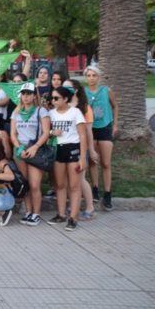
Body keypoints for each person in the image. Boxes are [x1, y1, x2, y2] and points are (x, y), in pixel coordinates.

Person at [47, 86, 88, 232]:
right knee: (59, 184)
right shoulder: (51, 113)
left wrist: (83, 157)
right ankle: (61, 214)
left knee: (74, 185)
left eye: (56, 98)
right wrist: (52, 132)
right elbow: (45, 131)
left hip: (73, 148)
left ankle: (73, 217)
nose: (53, 101)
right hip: (58, 149)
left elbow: (83, 135)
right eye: (52, 98)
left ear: (65, 99)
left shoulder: (75, 112)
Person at [9, 82, 51, 226]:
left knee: (34, 184)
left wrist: (35, 147)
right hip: (20, 150)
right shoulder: (16, 112)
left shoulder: (41, 111)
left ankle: (36, 213)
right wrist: (18, 147)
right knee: (25, 184)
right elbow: (13, 134)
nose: (26, 96)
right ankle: (28, 211)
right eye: (24, 94)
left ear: (34, 96)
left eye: (29, 94)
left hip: (35, 150)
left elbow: (46, 132)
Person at [83, 65, 117, 211]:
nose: (91, 78)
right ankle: (95, 188)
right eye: (89, 75)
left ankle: (107, 193)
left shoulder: (106, 90)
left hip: (104, 127)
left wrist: (115, 125)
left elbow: (115, 106)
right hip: (90, 129)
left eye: (94, 75)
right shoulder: (83, 92)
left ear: (99, 77)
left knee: (106, 163)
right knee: (92, 161)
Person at [64, 79, 98, 220]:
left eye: (68, 87)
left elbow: (88, 132)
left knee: (81, 179)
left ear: (76, 90)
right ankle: (74, 206)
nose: (64, 89)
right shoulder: (63, 105)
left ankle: (90, 207)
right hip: (65, 146)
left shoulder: (84, 108)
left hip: (80, 147)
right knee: (68, 180)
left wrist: (91, 150)